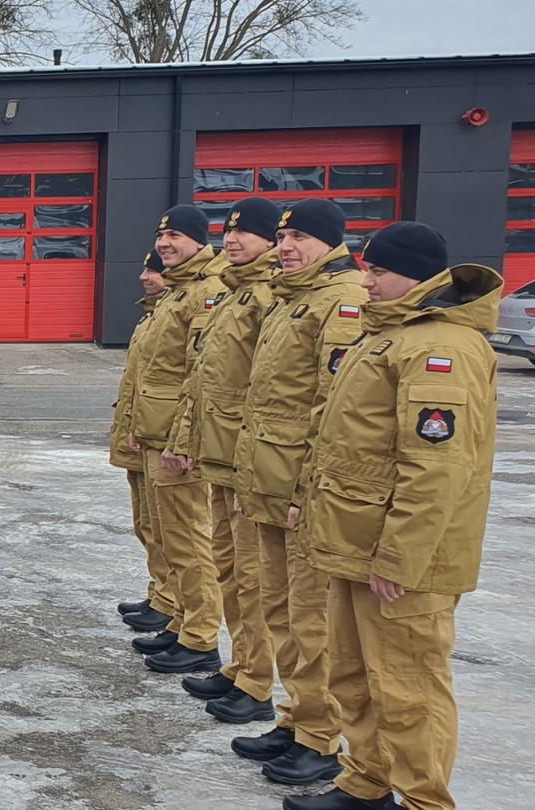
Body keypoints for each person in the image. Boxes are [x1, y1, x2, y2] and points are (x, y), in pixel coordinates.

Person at [284, 222, 497, 810]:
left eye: (378, 272)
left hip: (405, 558)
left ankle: (424, 799)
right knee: (354, 674)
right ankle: (367, 782)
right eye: (366, 270)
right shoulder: (389, 335)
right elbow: (342, 439)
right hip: (358, 542)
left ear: (417, 275)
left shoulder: (440, 348)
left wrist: (400, 557)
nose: (367, 282)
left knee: (409, 688)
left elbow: (436, 468)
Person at [230, 198, 365, 787]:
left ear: (331, 243)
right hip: (268, 478)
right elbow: (264, 400)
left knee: (311, 619)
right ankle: (297, 716)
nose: (286, 247)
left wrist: (305, 489)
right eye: (283, 238)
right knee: (279, 608)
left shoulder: (342, 300)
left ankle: (320, 735)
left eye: (300, 237)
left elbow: (332, 409)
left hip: (300, 488)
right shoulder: (292, 297)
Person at [166, 197, 282, 723]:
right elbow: (202, 380)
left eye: (245, 232)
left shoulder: (267, 296)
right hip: (222, 454)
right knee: (231, 567)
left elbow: (271, 393)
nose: (232, 240)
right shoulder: (238, 293)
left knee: (255, 577)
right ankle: (241, 667)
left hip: (250, 458)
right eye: (229, 231)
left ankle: (256, 680)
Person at [130, 205, 229, 676]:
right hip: (157, 435)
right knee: (169, 536)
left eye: (174, 237)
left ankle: (201, 636)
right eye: (160, 236)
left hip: (177, 441)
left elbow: (200, 375)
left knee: (189, 540)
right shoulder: (179, 291)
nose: (164, 244)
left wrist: (184, 439)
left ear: (198, 240)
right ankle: (182, 620)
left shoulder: (207, 292)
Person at [112, 251, 176, 636]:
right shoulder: (152, 314)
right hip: (140, 432)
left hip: (160, 435)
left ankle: (172, 602)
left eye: (153, 270)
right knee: (146, 524)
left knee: (169, 530)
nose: (144, 276)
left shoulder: (180, 311)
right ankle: (160, 593)